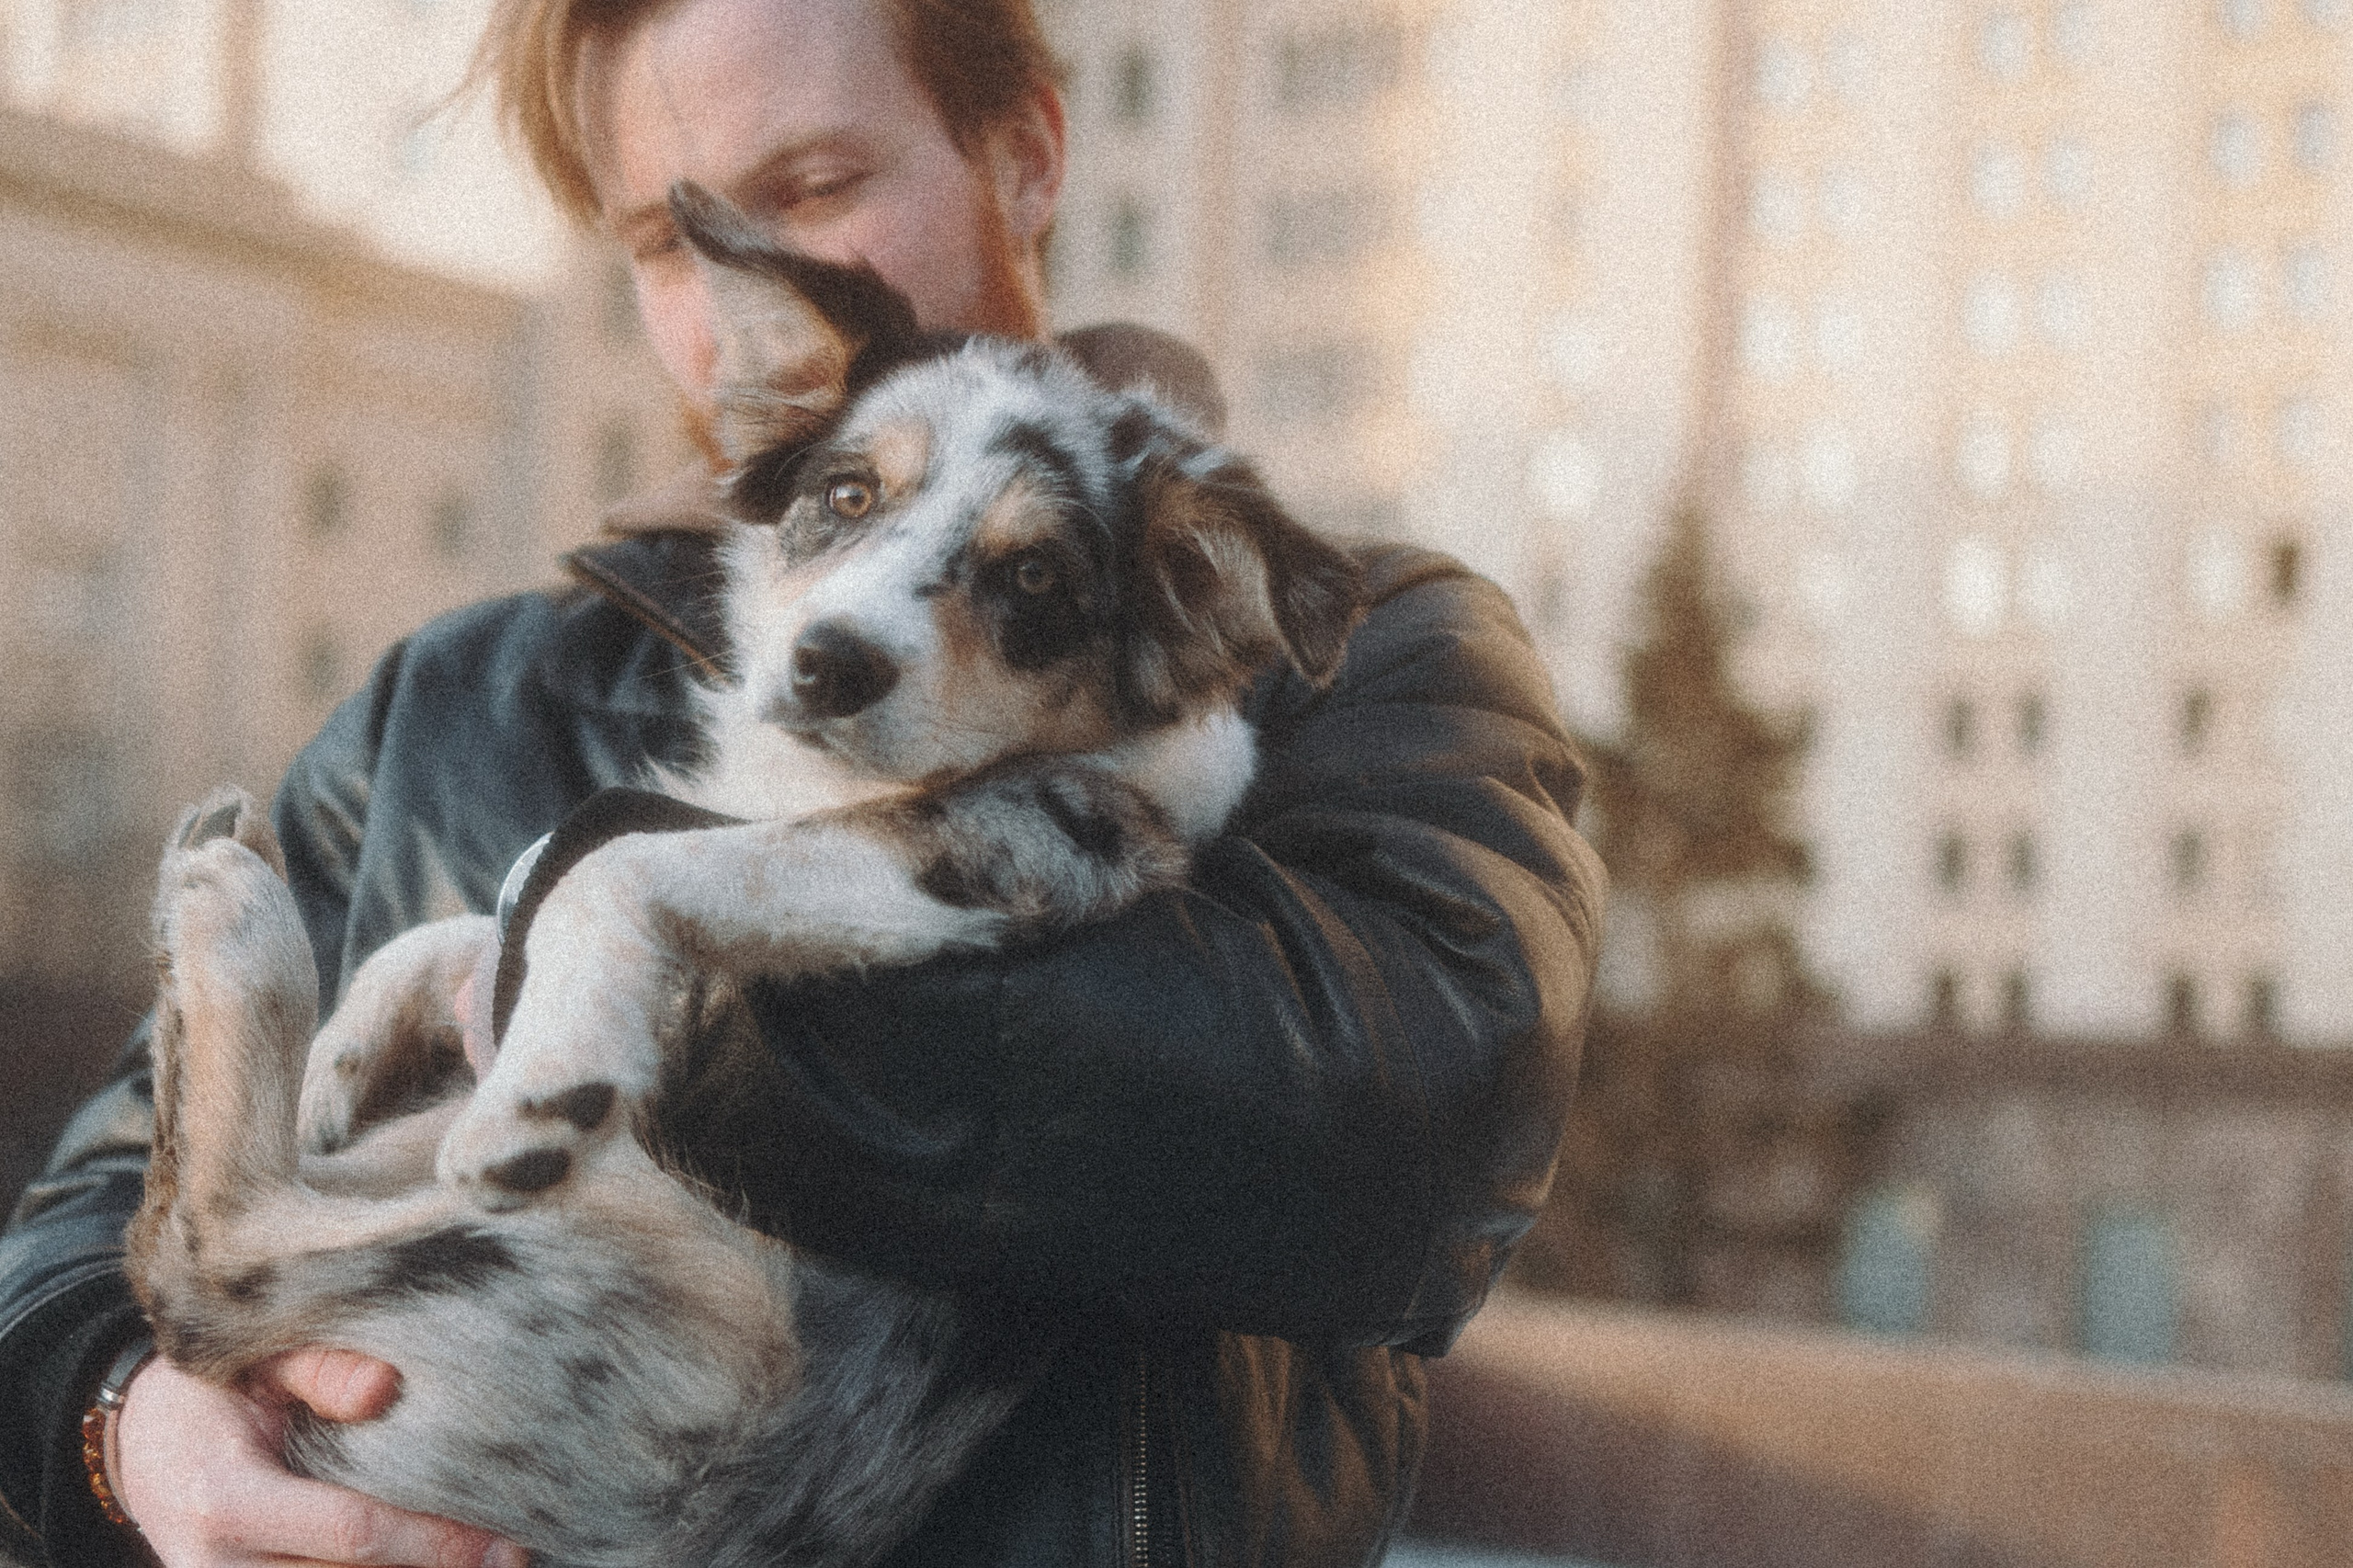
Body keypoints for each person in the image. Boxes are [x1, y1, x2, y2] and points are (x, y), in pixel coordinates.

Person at [0, 0, 1607, 1564]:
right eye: (659, 242)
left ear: (1028, 157)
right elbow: (72, 1220)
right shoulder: (455, 701)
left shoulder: (1344, 649)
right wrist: (115, 1418)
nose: (740, 305)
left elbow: (1410, 1146)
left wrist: (641, 970)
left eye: (819, 187)